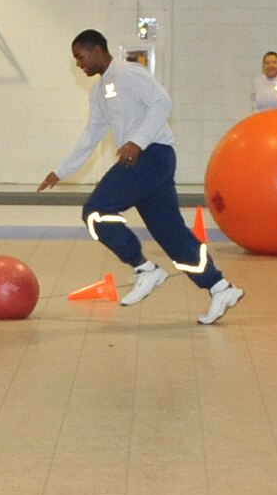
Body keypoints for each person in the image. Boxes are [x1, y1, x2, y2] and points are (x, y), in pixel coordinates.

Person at [40, 30, 244, 324]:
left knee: (95, 211)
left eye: (80, 57)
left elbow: (163, 102)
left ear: (97, 50)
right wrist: (61, 171)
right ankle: (219, 287)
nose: (78, 64)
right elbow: (91, 134)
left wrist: (137, 140)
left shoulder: (128, 72)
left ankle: (144, 268)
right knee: (171, 234)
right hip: (147, 162)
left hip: (152, 155)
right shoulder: (99, 92)